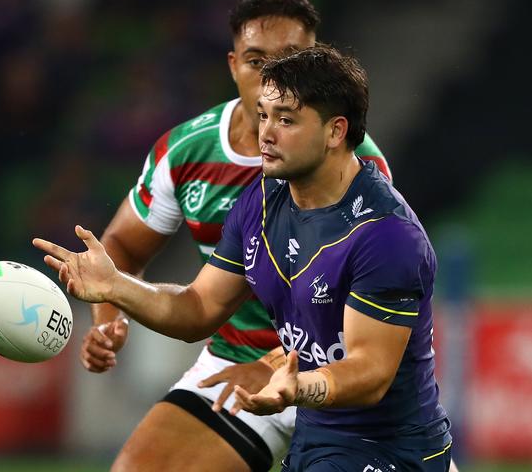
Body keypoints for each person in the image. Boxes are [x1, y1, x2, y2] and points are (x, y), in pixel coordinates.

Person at [34, 43, 452, 471]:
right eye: (265, 115)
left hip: (390, 449)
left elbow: (370, 372)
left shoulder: (387, 235)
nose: (265, 133)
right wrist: (117, 286)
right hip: (318, 435)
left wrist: (296, 386)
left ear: (335, 132)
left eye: (286, 120)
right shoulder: (262, 199)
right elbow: (199, 308)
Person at [77, 0, 390, 472]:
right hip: (234, 364)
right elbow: (144, 263)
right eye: (255, 60)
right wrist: (109, 313)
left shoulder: (359, 167)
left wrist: (273, 367)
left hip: (343, 369)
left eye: (288, 61)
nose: (270, 77)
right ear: (232, 64)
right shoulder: (190, 153)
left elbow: (362, 320)